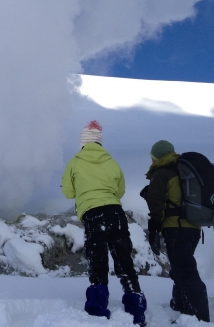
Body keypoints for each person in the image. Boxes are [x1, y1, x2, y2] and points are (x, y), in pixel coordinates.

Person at [62, 120, 147, 325]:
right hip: (116, 213)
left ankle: (98, 309)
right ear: (99, 142)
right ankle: (136, 310)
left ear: (83, 142)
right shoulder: (112, 162)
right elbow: (120, 191)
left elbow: (68, 192)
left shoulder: (75, 161)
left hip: (93, 214)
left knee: (98, 260)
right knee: (124, 260)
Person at [144, 140, 210, 322]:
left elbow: (155, 201)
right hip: (193, 229)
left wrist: (154, 226)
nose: (151, 161)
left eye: (152, 157)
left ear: (157, 156)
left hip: (176, 228)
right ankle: (179, 306)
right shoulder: (182, 170)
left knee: (186, 271)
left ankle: (199, 317)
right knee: (181, 267)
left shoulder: (162, 172)